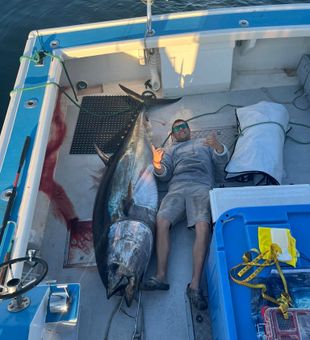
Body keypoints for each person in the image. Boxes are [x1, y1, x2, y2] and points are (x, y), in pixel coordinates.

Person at [143, 119, 229, 310]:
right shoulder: (170, 150)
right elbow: (164, 175)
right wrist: (157, 164)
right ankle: (160, 276)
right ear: (172, 135)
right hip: (176, 189)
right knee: (161, 221)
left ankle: (195, 285)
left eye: (184, 126)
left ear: (190, 130)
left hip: (201, 187)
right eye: (176, 128)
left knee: (203, 226)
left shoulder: (203, 143)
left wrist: (218, 147)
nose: (181, 129)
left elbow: (221, 163)